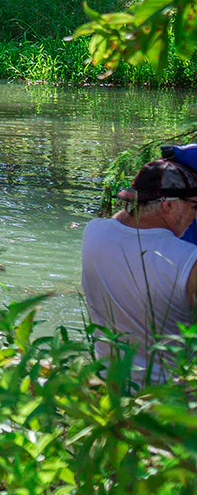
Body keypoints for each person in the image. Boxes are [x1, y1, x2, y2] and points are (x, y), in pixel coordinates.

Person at [83, 158, 197, 378]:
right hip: (169, 398)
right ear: (169, 205)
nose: (195, 217)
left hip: (110, 384)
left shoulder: (93, 233)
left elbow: (121, 221)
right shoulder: (189, 261)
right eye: (194, 206)